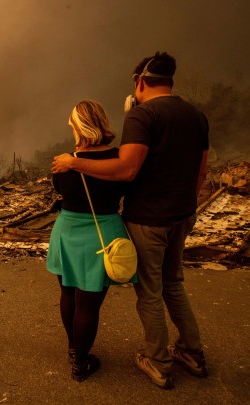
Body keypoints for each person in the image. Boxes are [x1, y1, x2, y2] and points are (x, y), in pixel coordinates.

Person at [51, 52, 209, 389]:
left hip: (148, 219)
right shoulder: (197, 115)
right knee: (173, 284)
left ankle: (158, 363)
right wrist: (189, 205)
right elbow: (201, 169)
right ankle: (192, 353)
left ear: (140, 81)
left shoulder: (142, 115)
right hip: (182, 214)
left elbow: (127, 169)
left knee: (149, 292)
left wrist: (74, 162)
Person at [46, 100, 137, 382]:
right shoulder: (120, 159)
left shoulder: (63, 162)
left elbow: (60, 189)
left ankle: (74, 351)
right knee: (88, 304)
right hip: (103, 233)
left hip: (67, 231)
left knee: (68, 294)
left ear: (78, 125)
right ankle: (81, 362)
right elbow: (127, 185)